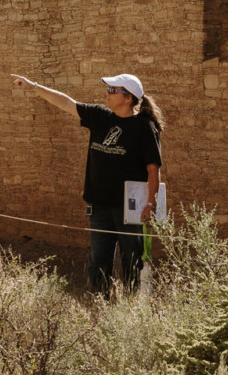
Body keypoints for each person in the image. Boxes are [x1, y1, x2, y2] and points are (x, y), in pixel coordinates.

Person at [13, 71, 164, 294]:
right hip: (99, 206)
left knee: (132, 260)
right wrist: (34, 87)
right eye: (108, 89)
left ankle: (133, 308)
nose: (108, 93)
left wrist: (150, 204)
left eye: (113, 90)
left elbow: (154, 169)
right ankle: (99, 306)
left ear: (128, 97)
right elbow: (66, 102)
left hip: (130, 208)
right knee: (98, 261)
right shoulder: (100, 116)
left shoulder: (144, 127)